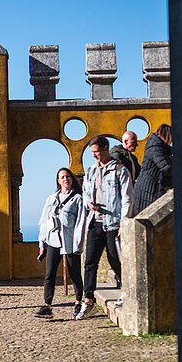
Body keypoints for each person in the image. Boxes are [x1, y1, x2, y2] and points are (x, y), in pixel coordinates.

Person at [77, 135, 134, 320]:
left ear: (105, 149)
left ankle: (126, 292)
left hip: (114, 223)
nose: (94, 156)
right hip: (95, 221)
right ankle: (88, 299)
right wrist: (89, 203)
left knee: (115, 259)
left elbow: (127, 198)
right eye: (92, 153)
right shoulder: (91, 171)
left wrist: (123, 223)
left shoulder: (119, 170)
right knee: (90, 262)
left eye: (97, 152)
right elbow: (85, 193)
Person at [34, 168, 87, 318]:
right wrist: (41, 243)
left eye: (68, 176)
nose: (66, 179)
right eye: (62, 177)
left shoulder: (78, 199)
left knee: (75, 273)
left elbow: (80, 223)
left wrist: (78, 244)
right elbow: (44, 221)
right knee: (49, 274)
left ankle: (78, 302)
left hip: (70, 242)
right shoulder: (51, 199)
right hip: (53, 240)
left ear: (72, 179)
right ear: (58, 180)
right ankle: (47, 305)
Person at [134, 124, 172, 213]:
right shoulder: (156, 148)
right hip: (149, 189)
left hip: (151, 187)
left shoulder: (159, 147)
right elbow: (165, 167)